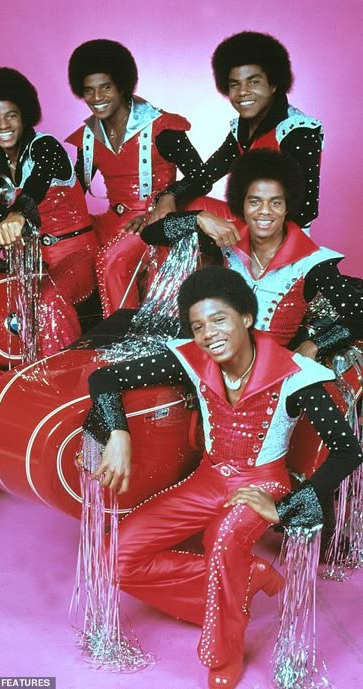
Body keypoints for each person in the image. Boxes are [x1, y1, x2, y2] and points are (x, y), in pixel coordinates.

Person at [82, 265, 362, 688]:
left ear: (246, 318)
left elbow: (348, 450)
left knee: (227, 541)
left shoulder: (295, 375)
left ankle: (223, 652)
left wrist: (285, 506)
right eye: (198, 325)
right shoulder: (194, 359)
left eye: (219, 319)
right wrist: (117, 430)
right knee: (115, 557)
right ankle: (246, 581)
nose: (208, 333)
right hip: (206, 480)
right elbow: (105, 377)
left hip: (261, 483)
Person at [141, 149, 363, 357]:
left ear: (288, 207)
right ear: (241, 204)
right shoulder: (226, 239)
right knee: (117, 372)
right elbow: (151, 234)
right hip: (213, 352)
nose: (264, 211)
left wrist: (315, 345)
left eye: (275, 203)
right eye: (254, 202)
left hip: (267, 371)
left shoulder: (313, 262)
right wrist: (198, 217)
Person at [66, 39, 205, 316]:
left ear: (121, 85)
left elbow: (201, 176)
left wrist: (167, 198)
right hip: (111, 223)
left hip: (151, 221)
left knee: (111, 260)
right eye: (88, 90)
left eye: (105, 87)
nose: (97, 97)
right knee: (69, 252)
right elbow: (73, 189)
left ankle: (123, 346)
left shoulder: (161, 127)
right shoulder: (89, 137)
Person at [0, 67, 97, 355]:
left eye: (11, 115)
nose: (3, 125)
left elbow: (36, 187)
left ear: (24, 115)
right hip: (30, 265)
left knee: (49, 300)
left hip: (76, 256)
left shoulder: (45, 147)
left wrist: (20, 213)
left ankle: (63, 386)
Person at [149, 31, 323, 239]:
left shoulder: (298, 130)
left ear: (274, 84)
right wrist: (169, 195)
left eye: (253, 82)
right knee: (182, 208)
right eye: (235, 84)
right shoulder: (242, 128)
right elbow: (205, 177)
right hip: (248, 224)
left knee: (188, 221)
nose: (242, 92)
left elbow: (304, 211)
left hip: (281, 237)